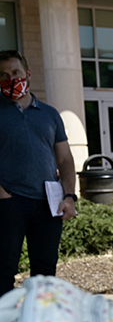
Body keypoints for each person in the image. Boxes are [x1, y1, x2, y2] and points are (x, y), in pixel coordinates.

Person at [0, 50, 77, 294]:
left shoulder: (50, 114)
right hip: (8, 201)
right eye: (3, 75)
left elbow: (64, 159)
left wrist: (69, 196)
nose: (10, 79)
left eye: (15, 72)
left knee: (45, 273)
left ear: (28, 74)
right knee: (3, 269)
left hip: (48, 203)